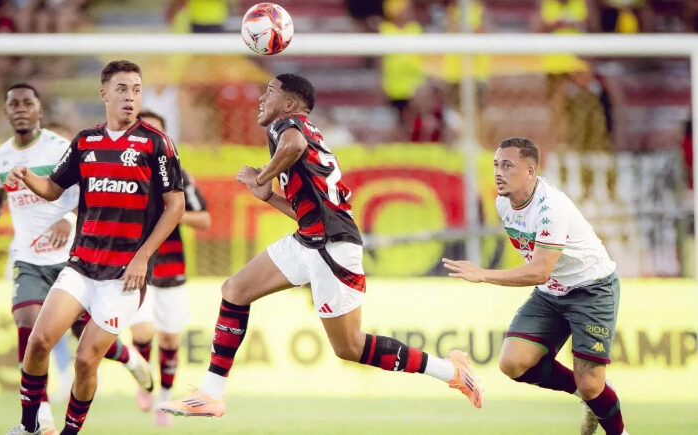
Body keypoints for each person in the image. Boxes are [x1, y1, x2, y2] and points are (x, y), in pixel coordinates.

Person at [157, 73, 483, 419]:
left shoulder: (287, 126)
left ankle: (451, 371)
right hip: (310, 238)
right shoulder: (305, 133)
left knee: (351, 346)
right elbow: (308, 205)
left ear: (290, 104)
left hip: (332, 246)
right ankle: (211, 393)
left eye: (269, 92)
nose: (261, 98)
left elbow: (293, 146)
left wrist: (262, 176)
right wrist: (268, 195)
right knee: (235, 290)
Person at [5, 60, 185, 435]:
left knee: (87, 361)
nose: (130, 96)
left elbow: (176, 206)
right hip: (81, 264)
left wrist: (142, 257)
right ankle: (29, 427)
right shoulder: (86, 141)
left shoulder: (156, 143)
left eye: (136, 89)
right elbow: (54, 189)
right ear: (103, 94)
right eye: (122, 89)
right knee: (38, 341)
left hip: (124, 276)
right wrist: (27, 178)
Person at [0, 83, 155, 435]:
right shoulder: (0, 158)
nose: (21, 109)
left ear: (39, 109)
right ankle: (40, 422)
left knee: (86, 338)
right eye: (13, 104)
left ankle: (129, 359)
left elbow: (91, 190)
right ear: (6, 112)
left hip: (74, 259)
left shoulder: (60, 147)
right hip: (28, 259)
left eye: (28, 102)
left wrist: (67, 219)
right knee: (30, 329)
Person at [442, 137, 627, 435]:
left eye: (508, 165)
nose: (499, 172)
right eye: (496, 165)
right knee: (513, 363)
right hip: (553, 291)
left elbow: (540, 271)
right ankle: (591, 398)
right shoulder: (503, 201)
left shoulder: (550, 208)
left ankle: (609, 417)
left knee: (592, 383)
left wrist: (483, 274)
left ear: (530, 170)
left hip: (590, 287)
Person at [129, 110, 212, 427]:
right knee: (143, 331)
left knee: (169, 340)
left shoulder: (181, 176)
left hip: (172, 266)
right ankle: (144, 383)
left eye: (158, 133)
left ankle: (163, 397)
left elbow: (204, 219)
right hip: (137, 266)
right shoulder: (126, 175)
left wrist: (173, 212)